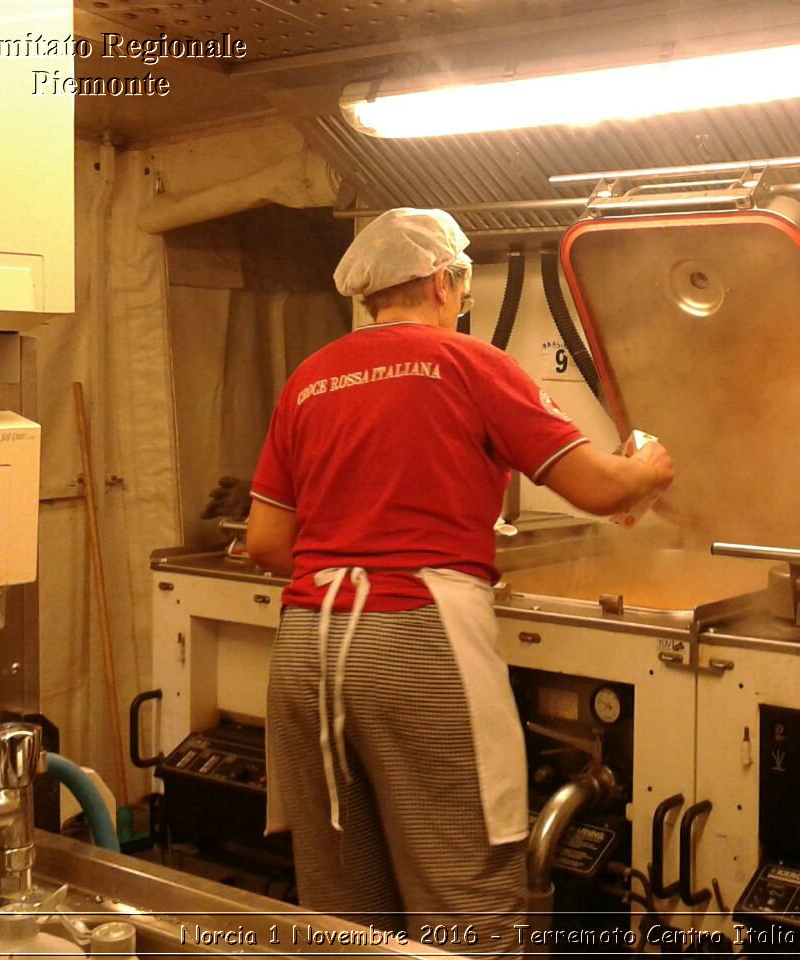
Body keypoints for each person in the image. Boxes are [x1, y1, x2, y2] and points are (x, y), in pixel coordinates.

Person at [245, 208, 673, 946]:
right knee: (464, 903)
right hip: (417, 643)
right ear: (443, 282)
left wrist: (357, 554)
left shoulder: (308, 379)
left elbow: (265, 540)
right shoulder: (469, 362)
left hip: (307, 648)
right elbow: (601, 489)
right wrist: (649, 469)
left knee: (345, 914)